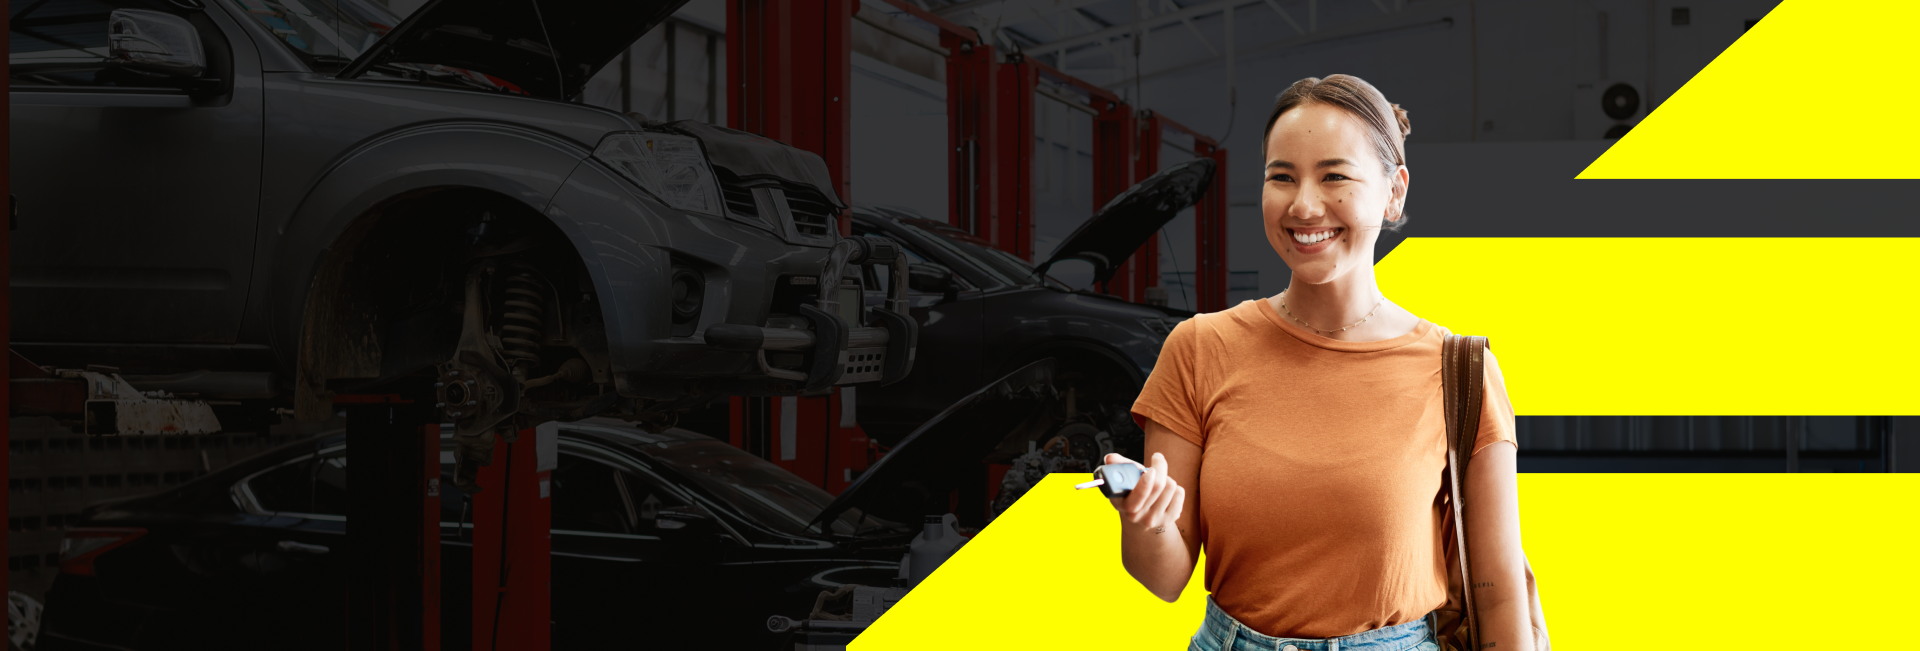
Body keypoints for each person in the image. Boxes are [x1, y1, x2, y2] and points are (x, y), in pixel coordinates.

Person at [1107, 74, 1534, 651]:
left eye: (1334, 176)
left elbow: (1498, 589)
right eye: (1281, 177)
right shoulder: (1199, 348)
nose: (1303, 205)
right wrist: (1146, 520)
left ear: (1394, 192)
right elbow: (1164, 578)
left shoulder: (1457, 369)